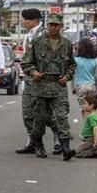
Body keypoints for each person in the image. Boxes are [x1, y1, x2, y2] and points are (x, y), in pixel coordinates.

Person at [21, 13, 76, 160]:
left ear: (61, 26)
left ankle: (66, 147)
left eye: (56, 25)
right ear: (47, 26)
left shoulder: (66, 44)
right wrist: (34, 72)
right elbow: (26, 62)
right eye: (51, 25)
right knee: (40, 118)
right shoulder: (38, 42)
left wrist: (67, 77)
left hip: (58, 85)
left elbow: (72, 65)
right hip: (41, 85)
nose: (53, 27)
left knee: (61, 116)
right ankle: (38, 144)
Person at [15, 8, 62, 155]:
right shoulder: (28, 35)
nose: (23, 22)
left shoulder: (46, 34)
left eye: (25, 20)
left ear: (34, 20)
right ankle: (32, 141)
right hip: (30, 79)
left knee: (47, 113)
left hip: (44, 80)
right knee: (28, 113)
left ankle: (58, 138)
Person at [73, 38, 97, 111]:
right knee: (91, 108)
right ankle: (91, 121)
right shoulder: (94, 61)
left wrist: (73, 88)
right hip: (91, 85)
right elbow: (95, 75)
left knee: (83, 108)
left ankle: (85, 121)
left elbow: (74, 75)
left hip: (80, 86)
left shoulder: (76, 60)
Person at [75, 94, 97, 158]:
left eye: (85, 103)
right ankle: (95, 150)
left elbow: (95, 128)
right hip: (88, 138)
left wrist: (95, 141)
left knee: (77, 152)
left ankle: (95, 152)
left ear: (91, 105)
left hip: (90, 139)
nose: (83, 105)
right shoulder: (95, 115)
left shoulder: (91, 116)